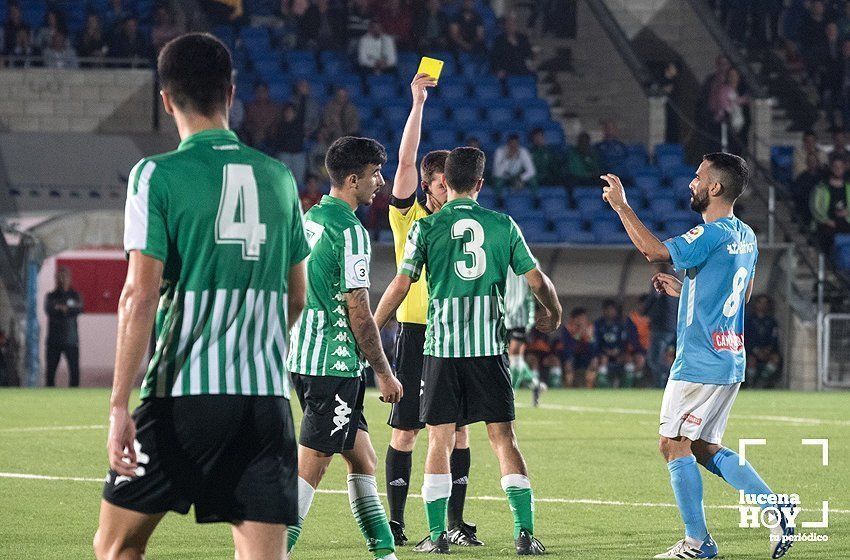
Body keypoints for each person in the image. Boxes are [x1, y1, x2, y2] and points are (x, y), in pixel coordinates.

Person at [94, 33, 310, 560]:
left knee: (115, 547)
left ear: (165, 99)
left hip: (180, 400)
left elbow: (138, 297)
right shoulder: (280, 179)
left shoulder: (155, 176)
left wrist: (120, 404)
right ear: (231, 93)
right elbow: (297, 298)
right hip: (265, 403)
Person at [601, 152, 795, 559]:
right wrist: (686, 290)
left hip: (700, 361)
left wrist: (622, 206)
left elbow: (655, 251)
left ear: (715, 188)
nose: (692, 182)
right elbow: (738, 294)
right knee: (702, 447)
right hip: (730, 358)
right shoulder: (747, 235)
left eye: (698, 176)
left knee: (673, 446)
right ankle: (773, 506)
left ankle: (698, 542)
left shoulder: (711, 233)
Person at [375, 146, 562, 555]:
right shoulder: (502, 224)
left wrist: (372, 327)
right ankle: (525, 533)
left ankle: (438, 535)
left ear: (448, 182)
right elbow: (536, 280)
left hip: (441, 349)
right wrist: (554, 310)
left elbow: (401, 285)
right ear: (479, 183)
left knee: (439, 441)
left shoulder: (426, 228)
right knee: (503, 439)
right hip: (488, 349)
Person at [285, 136, 403, 560]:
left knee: (363, 459)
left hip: (304, 357)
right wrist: (385, 373)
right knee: (312, 466)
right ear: (353, 179)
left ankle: (385, 555)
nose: (381, 182)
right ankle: (270, 552)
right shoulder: (351, 232)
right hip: (332, 366)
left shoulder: (308, 219)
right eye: (375, 174)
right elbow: (359, 311)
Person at [380, 73, 481, 548]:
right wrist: (417, 103)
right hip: (417, 332)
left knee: (460, 432)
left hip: (458, 335)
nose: (449, 190)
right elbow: (402, 159)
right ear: (428, 184)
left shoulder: (463, 220)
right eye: (443, 183)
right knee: (407, 431)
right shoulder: (409, 216)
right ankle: (396, 522)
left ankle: (457, 525)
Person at [505, 268, 542, 405]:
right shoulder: (500, 258)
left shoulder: (528, 260)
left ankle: (511, 392)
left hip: (522, 315)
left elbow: (537, 285)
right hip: (505, 315)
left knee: (514, 352)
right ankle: (534, 383)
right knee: (514, 357)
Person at [45, 266, 83, 387]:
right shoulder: (51, 296)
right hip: (54, 340)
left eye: (65, 276)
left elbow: (78, 308)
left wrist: (64, 309)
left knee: (74, 371)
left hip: (71, 340)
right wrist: (65, 309)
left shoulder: (75, 295)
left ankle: (74, 395)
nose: (63, 279)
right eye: (60, 276)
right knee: (50, 371)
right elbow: (50, 309)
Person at [644, 264, 679, 388]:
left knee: (654, 359)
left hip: (662, 327)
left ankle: (666, 381)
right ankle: (665, 382)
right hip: (674, 326)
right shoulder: (677, 279)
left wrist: (645, 310)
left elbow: (653, 299)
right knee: (665, 358)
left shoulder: (661, 280)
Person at [810, 154, 850, 251]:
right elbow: (815, 208)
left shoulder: (848, 187)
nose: (838, 169)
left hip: (845, 222)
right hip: (826, 224)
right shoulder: (821, 187)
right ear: (831, 167)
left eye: (840, 167)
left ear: (844, 168)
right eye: (835, 167)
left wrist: (847, 212)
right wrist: (826, 220)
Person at [745, 294, 782, 388]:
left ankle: (762, 381)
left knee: (775, 358)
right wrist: (755, 351)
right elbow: (746, 338)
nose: (762, 305)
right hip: (752, 351)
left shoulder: (771, 321)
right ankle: (750, 384)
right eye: (760, 303)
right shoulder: (749, 320)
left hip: (766, 351)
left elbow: (774, 339)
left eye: (765, 303)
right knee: (751, 360)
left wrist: (767, 350)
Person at [558, 307, 598, 388]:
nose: (582, 321)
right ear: (574, 319)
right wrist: (578, 334)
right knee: (568, 363)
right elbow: (568, 347)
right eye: (580, 318)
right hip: (571, 356)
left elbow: (595, 349)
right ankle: (568, 387)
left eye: (584, 318)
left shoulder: (591, 328)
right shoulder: (567, 329)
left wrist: (590, 338)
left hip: (586, 356)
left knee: (594, 361)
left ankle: (589, 387)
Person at [272, 102, 307, 186]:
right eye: (287, 112)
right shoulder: (279, 125)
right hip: (284, 154)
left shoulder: (299, 125)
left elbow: (304, 110)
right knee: (284, 180)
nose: (288, 114)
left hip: (297, 155)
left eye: (291, 112)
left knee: (298, 181)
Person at [491, 12, 533, 78]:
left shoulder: (523, 39)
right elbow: (495, 58)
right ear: (504, 25)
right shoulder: (499, 40)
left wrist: (530, 65)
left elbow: (529, 55)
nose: (511, 26)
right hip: (507, 71)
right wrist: (498, 70)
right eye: (509, 23)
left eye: (513, 23)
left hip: (522, 70)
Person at [243, 82, 282, 152]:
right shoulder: (251, 107)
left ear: (267, 92)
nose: (261, 94)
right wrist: (255, 130)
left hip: (270, 137)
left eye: (263, 91)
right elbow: (247, 123)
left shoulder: (274, 107)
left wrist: (266, 131)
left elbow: (276, 122)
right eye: (258, 91)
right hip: (254, 137)